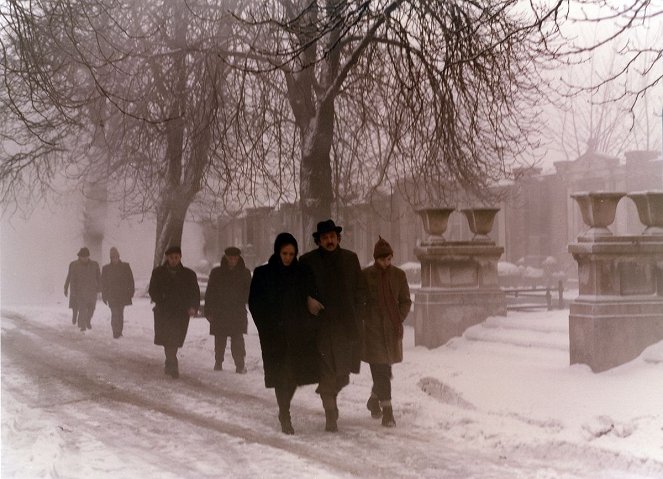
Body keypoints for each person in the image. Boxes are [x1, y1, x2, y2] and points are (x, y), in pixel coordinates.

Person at [249, 233, 320, 435]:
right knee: (282, 376)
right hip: (274, 336)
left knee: (294, 376)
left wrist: (310, 307)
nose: (288, 257)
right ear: (277, 252)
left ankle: (284, 409)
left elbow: (312, 295)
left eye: (291, 254)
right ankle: (285, 413)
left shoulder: (302, 272)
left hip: (298, 334)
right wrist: (265, 326)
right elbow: (254, 302)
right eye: (284, 253)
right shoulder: (263, 273)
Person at [299, 219, 367, 432]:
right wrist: (307, 300)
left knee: (343, 374)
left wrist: (359, 312)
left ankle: (328, 393)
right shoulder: (307, 261)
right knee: (327, 369)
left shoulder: (350, 259)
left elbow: (361, 290)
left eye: (332, 237)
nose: (329, 241)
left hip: (345, 326)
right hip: (319, 326)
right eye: (324, 238)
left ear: (338, 238)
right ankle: (330, 413)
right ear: (318, 241)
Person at [362, 236, 412, 427]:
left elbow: (406, 301)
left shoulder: (399, 275)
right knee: (380, 369)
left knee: (385, 370)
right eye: (383, 259)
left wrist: (398, 317)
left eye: (389, 258)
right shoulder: (366, 275)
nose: (386, 262)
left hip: (392, 331)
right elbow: (360, 299)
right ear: (376, 259)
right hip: (373, 331)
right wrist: (367, 316)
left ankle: (374, 400)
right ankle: (388, 411)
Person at [148, 245, 200, 379]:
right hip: (163, 311)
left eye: (176, 257)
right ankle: (172, 363)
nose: (173, 260)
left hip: (180, 312)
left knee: (175, 338)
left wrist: (193, 306)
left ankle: (170, 360)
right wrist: (161, 298)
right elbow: (153, 290)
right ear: (167, 258)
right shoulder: (158, 272)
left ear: (180, 257)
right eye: (171, 258)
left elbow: (195, 292)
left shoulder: (189, 274)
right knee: (167, 338)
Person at [204, 246, 251, 373]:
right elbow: (210, 292)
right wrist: (208, 311)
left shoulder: (245, 273)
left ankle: (240, 365)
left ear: (238, 258)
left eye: (235, 258)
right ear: (226, 258)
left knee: (238, 340)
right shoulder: (216, 273)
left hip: (237, 311)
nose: (232, 260)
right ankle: (218, 362)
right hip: (220, 311)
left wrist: (243, 299)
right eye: (230, 258)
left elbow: (250, 292)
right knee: (220, 339)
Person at [101, 247, 135, 339]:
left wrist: (131, 292)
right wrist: (104, 296)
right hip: (112, 296)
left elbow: (130, 280)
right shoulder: (106, 269)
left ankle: (119, 332)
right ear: (110, 258)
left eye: (116, 257)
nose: (114, 259)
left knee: (120, 313)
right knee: (115, 313)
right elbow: (103, 283)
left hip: (122, 295)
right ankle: (115, 332)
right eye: (112, 257)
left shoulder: (125, 267)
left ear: (118, 257)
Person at [64, 247, 100, 332]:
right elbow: (72, 279)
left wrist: (99, 288)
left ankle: (88, 321)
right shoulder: (75, 265)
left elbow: (99, 277)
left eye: (86, 256)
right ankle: (83, 326)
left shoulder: (94, 264)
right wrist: (71, 291)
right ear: (79, 257)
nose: (85, 258)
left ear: (88, 256)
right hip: (80, 292)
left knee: (92, 308)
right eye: (83, 256)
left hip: (92, 291)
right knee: (82, 309)